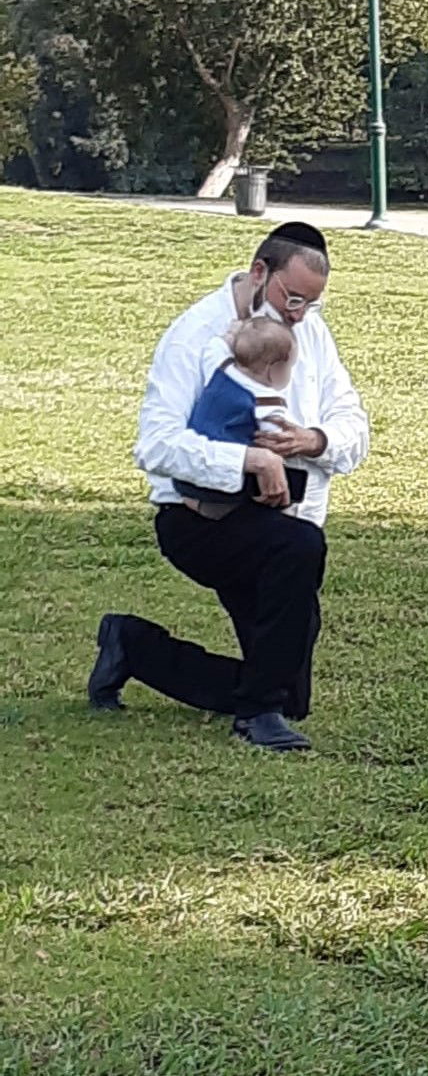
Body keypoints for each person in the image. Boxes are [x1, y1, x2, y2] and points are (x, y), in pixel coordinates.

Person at [86, 222, 369, 751]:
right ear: (259, 272)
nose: (299, 314)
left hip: (282, 515)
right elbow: (156, 446)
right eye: (293, 298)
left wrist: (315, 439)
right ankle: (256, 716)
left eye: (312, 303)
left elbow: (352, 420)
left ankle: (133, 646)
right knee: (299, 547)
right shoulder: (195, 334)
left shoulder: (310, 329)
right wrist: (248, 459)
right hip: (198, 520)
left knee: (292, 692)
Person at [172, 316, 302, 517]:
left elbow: (214, 347)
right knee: (285, 484)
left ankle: (193, 502)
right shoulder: (266, 400)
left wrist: (232, 334)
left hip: (190, 469)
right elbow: (277, 437)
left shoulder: (221, 367)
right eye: (290, 367)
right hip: (227, 478)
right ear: (275, 370)